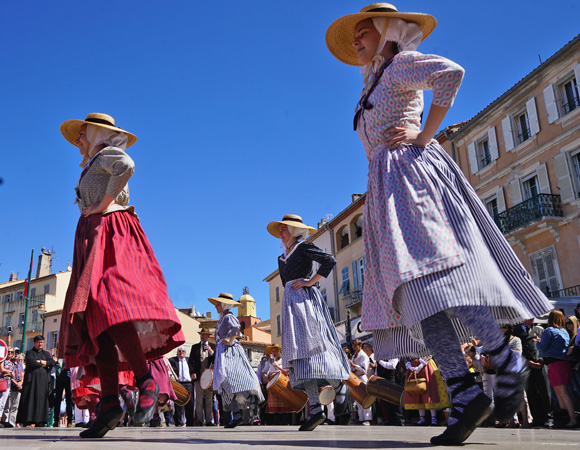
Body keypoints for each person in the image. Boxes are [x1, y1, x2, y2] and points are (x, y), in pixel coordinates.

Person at [325, 4, 553, 444]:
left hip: (412, 180)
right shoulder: (375, 79)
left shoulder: (402, 64)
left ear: (388, 31)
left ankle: (506, 360)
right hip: (387, 189)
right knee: (419, 301)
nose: (356, 39)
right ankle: (466, 396)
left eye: (364, 31)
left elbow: (451, 73)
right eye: (355, 35)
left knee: (442, 282)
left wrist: (425, 134)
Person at [58, 113, 185, 438]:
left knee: (110, 306)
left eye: (82, 133)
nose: (78, 140)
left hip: (111, 232)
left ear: (98, 133)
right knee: (94, 320)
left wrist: (103, 204)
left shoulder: (105, 154)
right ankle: (110, 403)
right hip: (93, 235)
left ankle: (144, 380)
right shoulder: (91, 162)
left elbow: (126, 165)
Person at [267, 214, 351, 431]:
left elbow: (329, 260)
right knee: (301, 359)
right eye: (281, 229)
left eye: (284, 228)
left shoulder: (304, 247)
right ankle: (315, 409)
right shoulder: (281, 258)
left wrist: (309, 281)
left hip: (305, 302)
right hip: (290, 305)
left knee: (316, 347)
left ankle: (339, 384)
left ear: (294, 230)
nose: (281, 232)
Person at [209, 293, 264, 428]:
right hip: (223, 352)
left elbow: (236, 327)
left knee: (233, 381)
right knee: (228, 383)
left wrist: (231, 340)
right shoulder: (221, 319)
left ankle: (251, 412)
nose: (216, 306)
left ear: (224, 304)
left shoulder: (229, 317)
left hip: (231, 352)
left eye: (218, 304)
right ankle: (237, 415)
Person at [536, 310, 576, 427]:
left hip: (554, 363)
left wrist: (537, 343)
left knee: (561, 393)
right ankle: (566, 417)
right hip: (562, 363)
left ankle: (571, 418)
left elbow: (543, 347)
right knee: (561, 393)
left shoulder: (549, 330)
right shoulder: (564, 331)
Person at [15, 335, 56, 427]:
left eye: (41, 342)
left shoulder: (46, 353)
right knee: (30, 400)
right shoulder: (30, 352)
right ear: (34, 343)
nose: (40, 344)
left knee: (42, 400)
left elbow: (52, 362)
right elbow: (31, 362)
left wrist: (40, 361)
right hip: (32, 381)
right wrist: (44, 363)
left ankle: (40, 420)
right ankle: (29, 420)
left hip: (43, 382)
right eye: (38, 342)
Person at [403, 357, 449, 426]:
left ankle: (433, 419)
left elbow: (429, 354)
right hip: (413, 367)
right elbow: (405, 356)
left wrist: (421, 365)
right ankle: (422, 418)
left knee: (430, 392)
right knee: (417, 391)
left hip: (426, 366)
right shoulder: (407, 347)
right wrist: (409, 365)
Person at [189, 327, 216, 426]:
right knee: (199, 400)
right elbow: (190, 361)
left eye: (204, 335)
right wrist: (192, 372)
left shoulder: (213, 346)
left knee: (209, 399)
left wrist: (211, 352)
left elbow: (216, 359)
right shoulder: (195, 347)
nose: (202, 337)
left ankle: (209, 421)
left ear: (208, 336)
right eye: (201, 335)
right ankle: (200, 420)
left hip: (209, 378)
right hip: (198, 377)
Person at [263, 344, 292, 425]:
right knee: (275, 402)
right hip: (273, 382)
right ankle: (276, 423)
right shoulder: (269, 361)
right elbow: (264, 371)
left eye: (275, 351)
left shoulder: (284, 360)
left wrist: (278, 367)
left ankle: (284, 422)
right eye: (272, 351)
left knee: (283, 401)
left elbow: (287, 372)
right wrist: (265, 376)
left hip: (282, 381)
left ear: (279, 352)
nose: (274, 353)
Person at [169, 347, 195, 426]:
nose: (181, 352)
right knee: (178, 404)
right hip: (178, 384)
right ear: (177, 353)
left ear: (185, 352)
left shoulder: (188, 360)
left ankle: (190, 422)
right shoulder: (172, 361)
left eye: (183, 351)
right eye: (179, 351)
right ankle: (178, 422)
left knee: (190, 404)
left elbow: (193, 368)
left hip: (188, 383)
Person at [350, 339, 372, 425]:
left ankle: (368, 418)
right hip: (355, 378)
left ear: (360, 346)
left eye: (355, 345)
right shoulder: (355, 355)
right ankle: (361, 418)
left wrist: (354, 365)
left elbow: (364, 369)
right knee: (358, 399)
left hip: (362, 378)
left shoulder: (363, 356)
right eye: (353, 345)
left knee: (365, 398)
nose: (353, 347)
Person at [2, 347, 23, 426]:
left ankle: (12, 423)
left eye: (18, 352)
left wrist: (21, 383)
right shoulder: (9, 363)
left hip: (18, 388)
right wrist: (16, 383)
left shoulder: (20, 365)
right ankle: (4, 422)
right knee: (7, 407)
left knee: (15, 407)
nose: (16, 354)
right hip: (11, 387)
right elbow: (10, 376)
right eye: (15, 352)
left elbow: (22, 375)